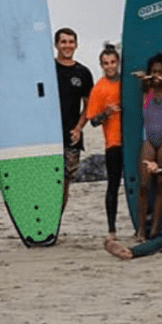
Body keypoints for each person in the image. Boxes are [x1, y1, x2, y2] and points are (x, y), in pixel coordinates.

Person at [133, 54, 162, 240]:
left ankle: (155, 229)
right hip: (148, 140)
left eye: (161, 72)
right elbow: (144, 84)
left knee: (160, 184)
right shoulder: (147, 90)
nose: (157, 75)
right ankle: (141, 228)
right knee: (144, 185)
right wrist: (146, 78)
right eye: (154, 72)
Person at [82, 44, 122, 240]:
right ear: (101, 65)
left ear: (118, 62)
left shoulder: (127, 83)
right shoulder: (99, 88)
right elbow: (93, 121)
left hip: (132, 141)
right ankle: (112, 229)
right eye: (106, 63)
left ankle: (142, 226)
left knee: (140, 183)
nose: (110, 66)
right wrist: (107, 112)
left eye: (113, 62)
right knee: (113, 185)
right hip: (113, 143)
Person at [54, 27, 94, 211]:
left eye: (71, 42)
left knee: (64, 183)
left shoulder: (83, 73)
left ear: (76, 45)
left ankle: (56, 223)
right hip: (48, 135)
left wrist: (78, 128)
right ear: (56, 45)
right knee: (47, 181)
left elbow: (88, 106)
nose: (67, 46)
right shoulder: (47, 68)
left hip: (71, 135)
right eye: (63, 42)